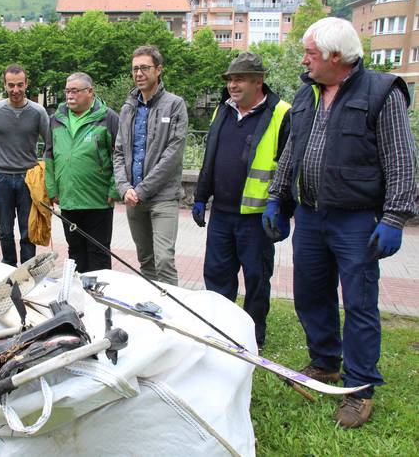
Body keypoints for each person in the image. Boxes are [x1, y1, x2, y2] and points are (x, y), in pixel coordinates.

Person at [266, 18, 417, 428]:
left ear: (335, 56)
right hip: (311, 217)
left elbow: (402, 160)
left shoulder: (381, 93)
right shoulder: (306, 94)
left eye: (310, 53)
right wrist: (277, 199)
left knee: (359, 304)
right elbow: (292, 153)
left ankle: (359, 388)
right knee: (310, 295)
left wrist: (394, 217)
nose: (304, 60)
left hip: (356, 221)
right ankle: (326, 363)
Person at [193, 52, 291, 349]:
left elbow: (289, 166)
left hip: (257, 215)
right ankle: (221, 330)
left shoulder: (281, 113)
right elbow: (210, 158)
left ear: (258, 81)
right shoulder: (222, 111)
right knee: (217, 275)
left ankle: (253, 334)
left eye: (239, 79)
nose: (232, 85)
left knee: (257, 278)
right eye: (230, 79)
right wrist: (200, 196)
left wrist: (282, 207)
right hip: (222, 213)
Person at [113, 45, 188, 285]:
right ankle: (152, 313)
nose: (139, 74)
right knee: (146, 261)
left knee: (164, 260)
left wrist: (142, 190)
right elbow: (119, 152)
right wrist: (125, 188)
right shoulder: (128, 108)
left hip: (162, 197)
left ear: (159, 70)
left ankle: (173, 314)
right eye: (135, 69)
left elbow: (173, 154)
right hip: (133, 198)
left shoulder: (175, 105)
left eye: (145, 68)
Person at [45, 72, 120, 273]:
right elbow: (49, 155)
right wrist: (52, 188)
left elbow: (120, 156)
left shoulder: (108, 117)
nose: (70, 96)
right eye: (67, 91)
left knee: (99, 253)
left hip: (98, 200)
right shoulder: (56, 119)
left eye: (75, 91)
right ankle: (79, 298)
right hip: (68, 198)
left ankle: (99, 298)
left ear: (90, 92)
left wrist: (114, 190)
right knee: (75, 252)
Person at [0, 64, 50, 266]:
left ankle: (28, 271)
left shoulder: (38, 112)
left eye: (20, 85)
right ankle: (8, 267)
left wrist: (44, 172)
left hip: (28, 179)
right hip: (2, 177)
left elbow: (50, 144)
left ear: (26, 84)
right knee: (4, 229)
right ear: (4, 84)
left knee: (27, 229)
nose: (15, 90)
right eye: (11, 85)